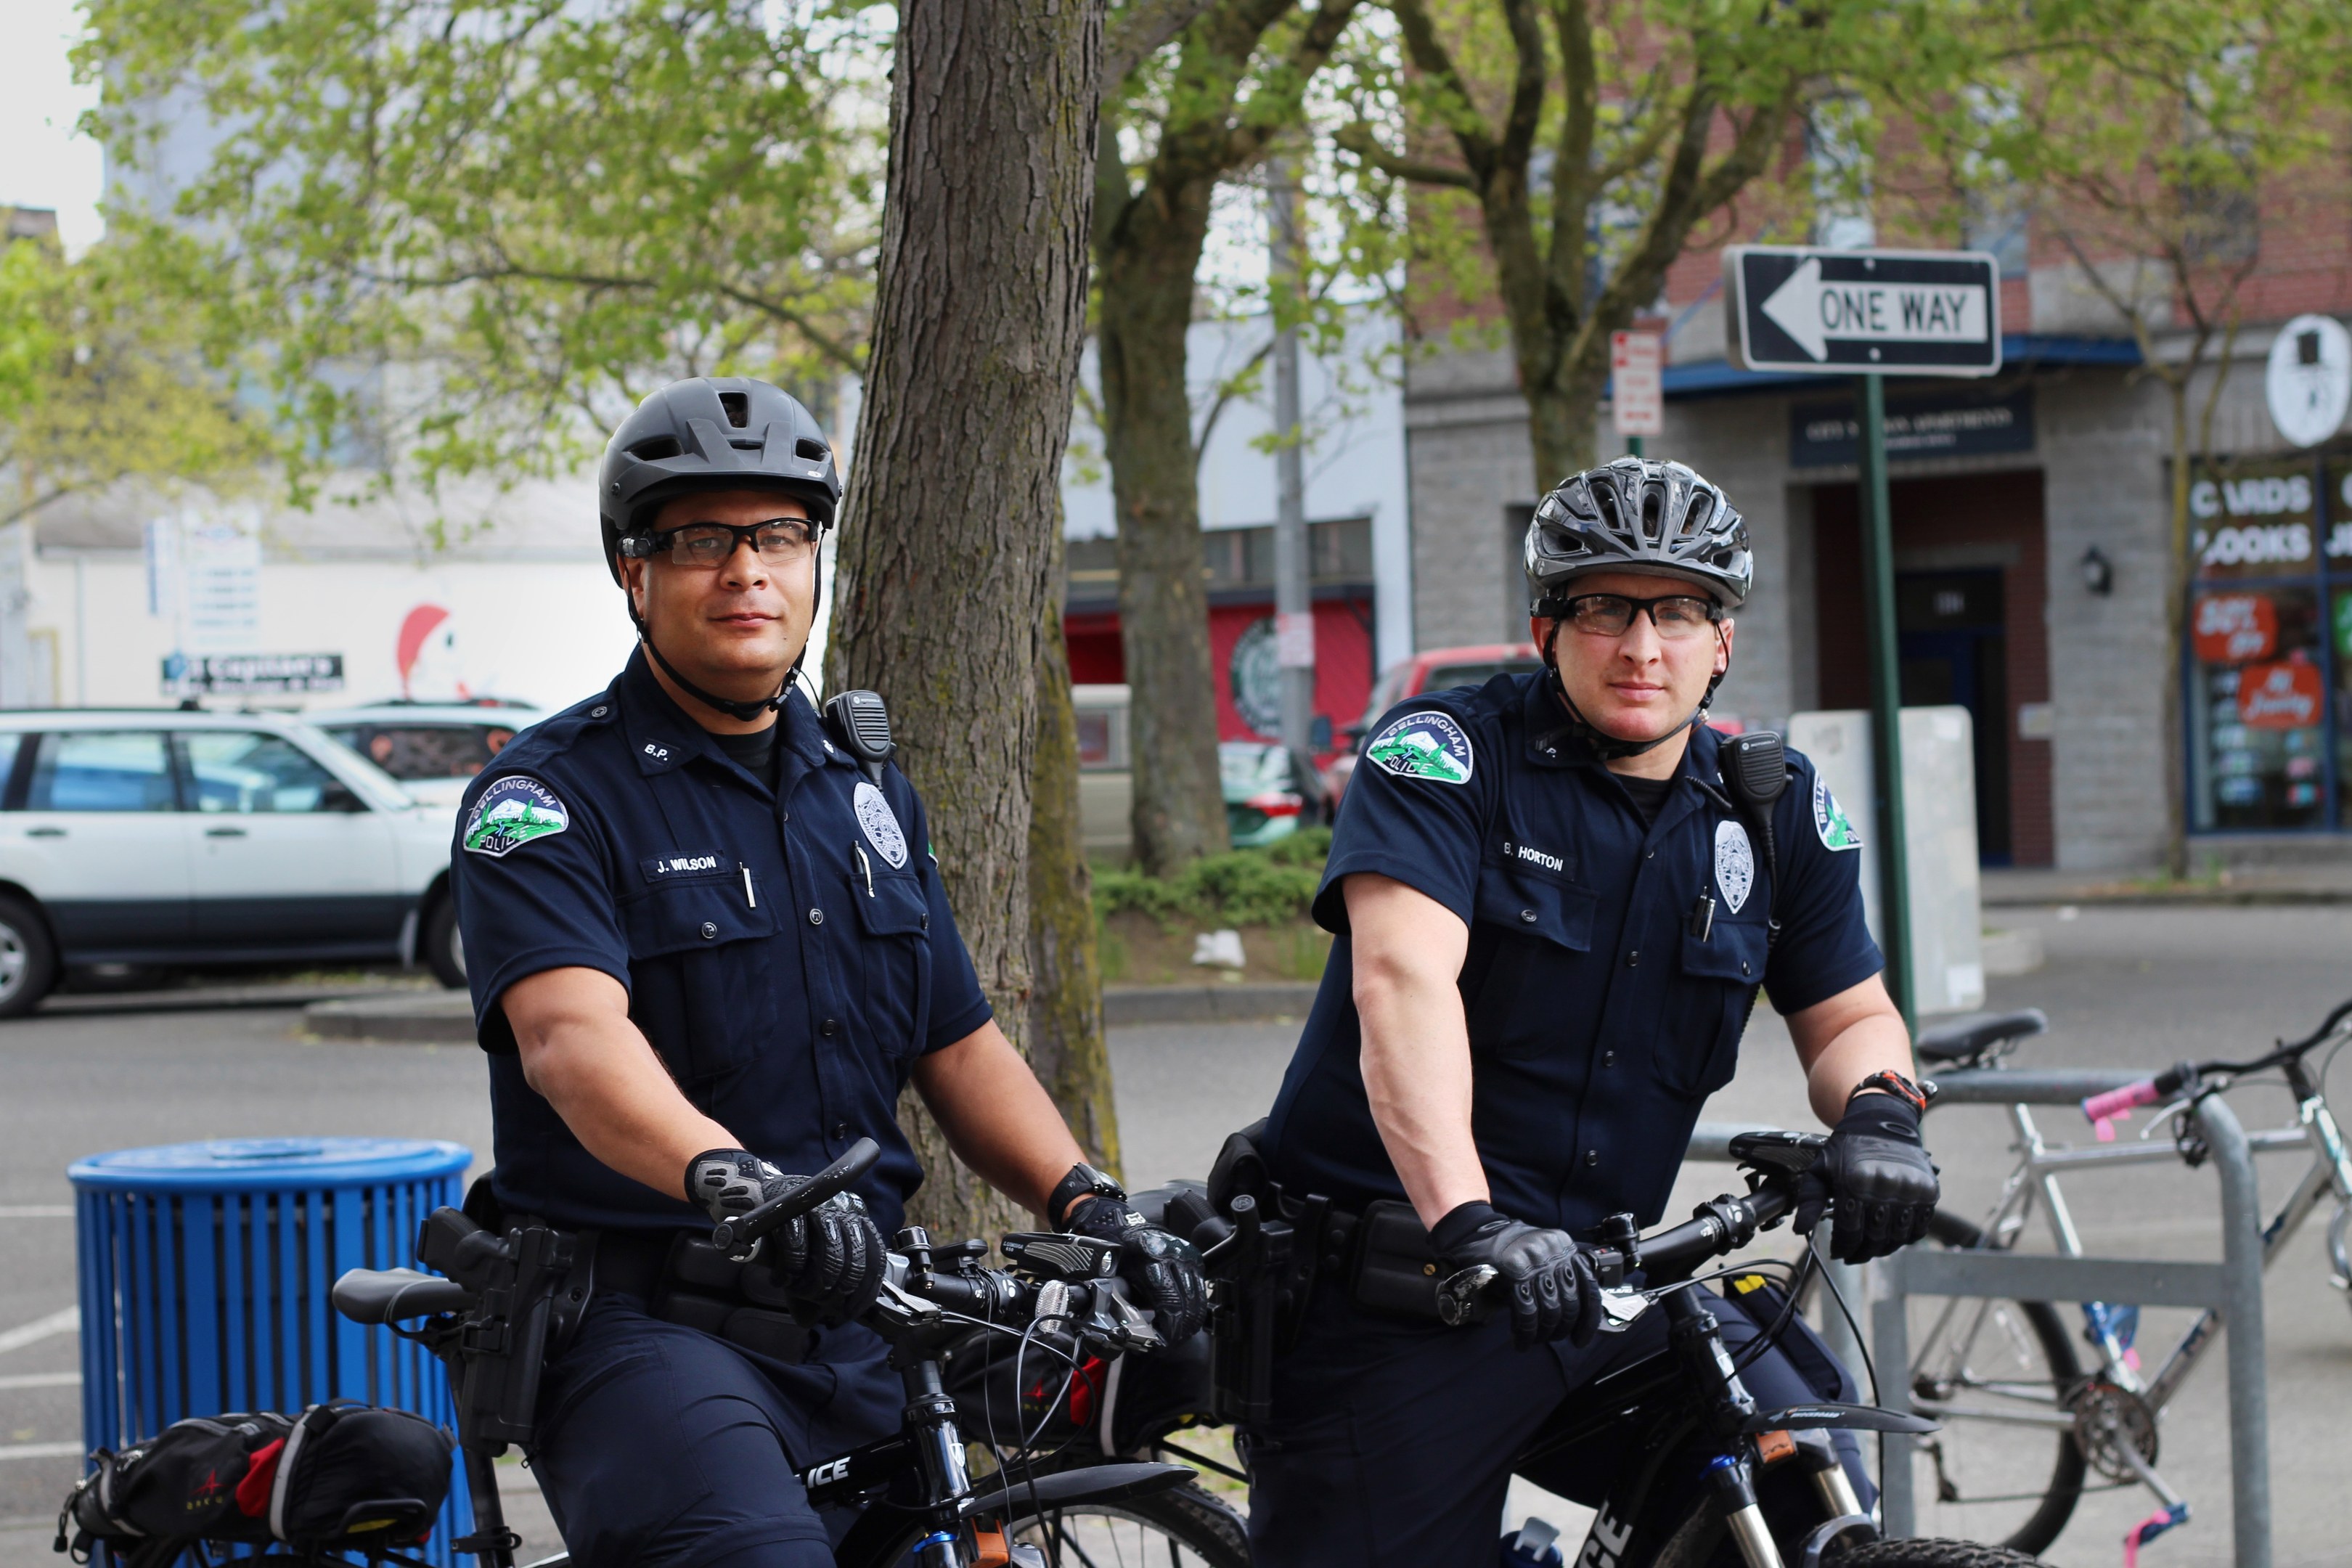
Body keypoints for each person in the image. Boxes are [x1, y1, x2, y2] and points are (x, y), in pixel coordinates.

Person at [449, 376, 1204, 1568]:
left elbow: (956, 1042)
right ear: (632, 572)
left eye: (779, 535)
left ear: (814, 562)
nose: (747, 569)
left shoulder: (864, 790)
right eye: (701, 538)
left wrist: (1092, 1205)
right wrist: (728, 1177)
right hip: (643, 1325)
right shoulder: (548, 798)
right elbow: (569, 1040)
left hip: (862, 1311)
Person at [1241, 457, 1938, 1566]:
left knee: (1802, 1486)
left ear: (1724, 640)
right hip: (1402, 1303)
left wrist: (1883, 1116)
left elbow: (1852, 1014)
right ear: (1546, 628)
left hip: (1606, 1294)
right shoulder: (1445, 758)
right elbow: (1402, 984)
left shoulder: (1775, 809)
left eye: (1677, 611)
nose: (1641, 646)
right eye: (1605, 608)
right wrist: (1468, 1222)